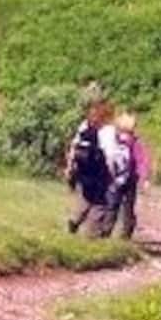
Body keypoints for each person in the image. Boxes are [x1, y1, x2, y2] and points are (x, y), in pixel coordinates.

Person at [64, 100, 115, 237]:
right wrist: (112, 174)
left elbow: (74, 148)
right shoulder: (107, 132)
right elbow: (110, 155)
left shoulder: (84, 127)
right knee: (100, 203)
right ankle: (92, 234)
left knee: (85, 198)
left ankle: (74, 221)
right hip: (99, 173)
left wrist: (70, 168)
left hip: (83, 172)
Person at [99, 112, 152, 240]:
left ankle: (124, 236)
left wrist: (144, 177)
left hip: (129, 181)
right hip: (114, 180)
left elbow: (142, 161)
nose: (126, 134)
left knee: (126, 208)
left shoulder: (135, 143)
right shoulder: (111, 141)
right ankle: (106, 234)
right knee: (112, 207)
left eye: (129, 131)